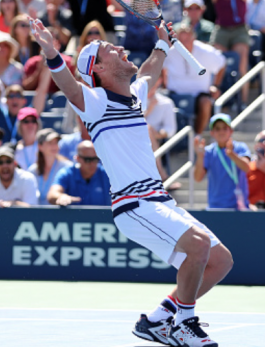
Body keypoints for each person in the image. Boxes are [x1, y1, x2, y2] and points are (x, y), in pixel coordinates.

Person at [31, 18, 232, 346]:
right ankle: (184, 323)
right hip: (134, 206)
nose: (121, 48)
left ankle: (155, 321)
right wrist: (53, 53)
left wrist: (163, 44)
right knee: (197, 247)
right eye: (111, 49)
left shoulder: (136, 96)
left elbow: (151, 71)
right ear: (98, 69)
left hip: (160, 201)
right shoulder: (94, 104)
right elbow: (68, 85)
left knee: (220, 260)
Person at [202, 0, 252, 105]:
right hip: (222, 29)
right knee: (214, 59)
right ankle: (214, 95)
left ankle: (243, 100)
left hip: (239, 30)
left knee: (242, 60)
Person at [163, 23, 225, 135]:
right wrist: (163, 83)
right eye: (181, 40)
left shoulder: (206, 51)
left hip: (199, 95)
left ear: (194, 38)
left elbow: (222, 63)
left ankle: (198, 135)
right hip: (174, 95)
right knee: (161, 102)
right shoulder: (170, 52)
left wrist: (215, 85)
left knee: (206, 103)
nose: (185, 43)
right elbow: (162, 69)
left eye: (188, 39)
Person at [194, 114, 251, 210]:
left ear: (231, 131)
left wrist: (232, 154)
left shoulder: (240, 147)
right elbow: (198, 178)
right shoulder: (208, 151)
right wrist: (200, 157)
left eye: (225, 128)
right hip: (215, 207)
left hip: (238, 207)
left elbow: (247, 167)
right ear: (212, 132)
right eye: (217, 129)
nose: (221, 132)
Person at [46, 140, 110, 206]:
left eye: (95, 159)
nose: (92, 163)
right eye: (88, 160)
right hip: (72, 217)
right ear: (77, 158)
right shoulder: (67, 173)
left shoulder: (107, 175)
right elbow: (52, 194)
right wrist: (61, 196)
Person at [145, 78, 178, 186]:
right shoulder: (132, 100)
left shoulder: (166, 103)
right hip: (132, 139)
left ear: (158, 81)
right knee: (147, 128)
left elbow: (170, 129)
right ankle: (162, 175)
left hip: (155, 141)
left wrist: (159, 134)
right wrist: (149, 110)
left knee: (148, 130)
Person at [28, 129, 72, 205]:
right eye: (50, 143)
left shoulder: (68, 167)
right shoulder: (32, 170)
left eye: (56, 143)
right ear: (40, 146)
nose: (54, 146)